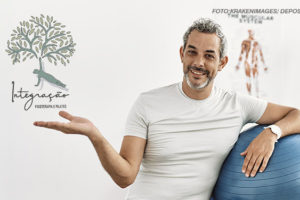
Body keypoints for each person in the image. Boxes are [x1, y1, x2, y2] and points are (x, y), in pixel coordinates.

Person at [34, 18, 300, 200]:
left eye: (209, 55)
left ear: (222, 63)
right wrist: (96, 136)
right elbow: (125, 176)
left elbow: (296, 115)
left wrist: (272, 132)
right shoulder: (148, 103)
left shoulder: (237, 105)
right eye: (192, 52)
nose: (198, 62)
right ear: (182, 53)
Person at [236, 29, 268, 97]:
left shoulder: (257, 43)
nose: (251, 34)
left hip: (254, 62)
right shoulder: (245, 42)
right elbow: (241, 53)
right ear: (248, 33)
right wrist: (238, 64)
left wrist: (264, 65)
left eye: (252, 33)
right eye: (250, 33)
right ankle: (249, 96)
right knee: (248, 79)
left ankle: (257, 95)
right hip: (247, 62)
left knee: (255, 78)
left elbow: (261, 54)